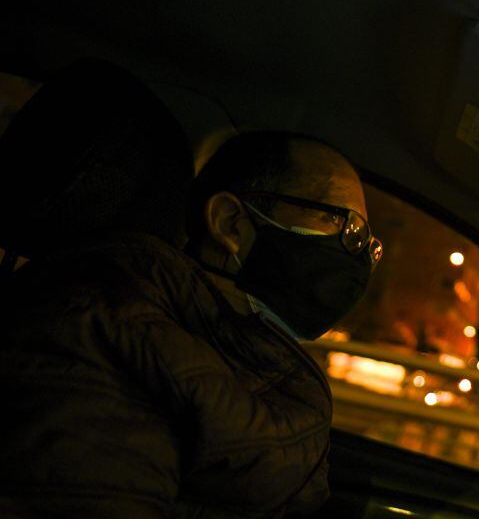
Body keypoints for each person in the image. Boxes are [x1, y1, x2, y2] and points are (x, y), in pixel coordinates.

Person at [0, 62, 379, 518]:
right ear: (231, 224)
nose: (358, 256)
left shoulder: (223, 346)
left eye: (368, 244)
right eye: (344, 225)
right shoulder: (98, 331)